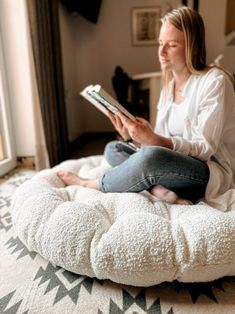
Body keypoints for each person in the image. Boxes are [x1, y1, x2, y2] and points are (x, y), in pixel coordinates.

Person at [58, 6, 235, 210]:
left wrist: (155, 141)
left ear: (192, 47)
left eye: (172, 45)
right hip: (172, 165)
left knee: (149, 158)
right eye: (160, 43)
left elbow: (204, 149)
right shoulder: (168, 87)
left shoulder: (215, 82)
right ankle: (157, 188)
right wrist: (133, 137)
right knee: (114, 148)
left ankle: (89, 183)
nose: (161, 52)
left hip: (206, 172)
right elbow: (161, 139)